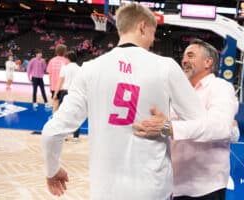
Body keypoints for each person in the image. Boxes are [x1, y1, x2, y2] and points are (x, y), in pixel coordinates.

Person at [41, 3, 210, 200]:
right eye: (153, 32)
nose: (153, 40)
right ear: (142, 26)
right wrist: (168, 126)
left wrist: (52, 169)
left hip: (105, 190)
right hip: (153, 189)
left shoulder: (89, 69)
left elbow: (51, 133)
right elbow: (202, 124)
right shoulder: (166, 67)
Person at [133, 39, 238, 200]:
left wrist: (171, 128)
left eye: (190, 56)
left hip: (204, 187)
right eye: (183, 56)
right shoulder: (177, 90)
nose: (184, 61)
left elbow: (219, 127)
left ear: (208, 62)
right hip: (172, 182)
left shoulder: (220, 87)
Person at [53, 51, 81, 143]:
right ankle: (76, 137)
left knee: (64, 114)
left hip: (65, 93)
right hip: (75, 93)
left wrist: (55, 93)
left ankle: (64, 135)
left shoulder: (64, 68)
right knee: (76, 115)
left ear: (68, 58)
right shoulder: (79, 68)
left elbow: (60, 82)